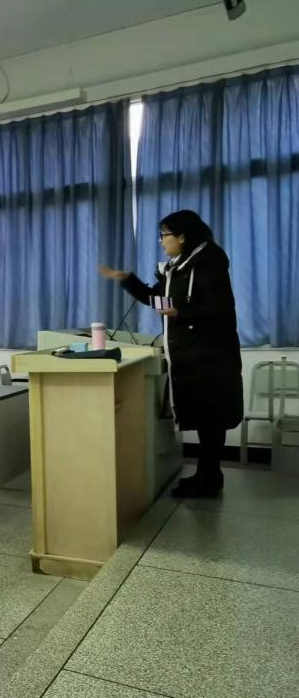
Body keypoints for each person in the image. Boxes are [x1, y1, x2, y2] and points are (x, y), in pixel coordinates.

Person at [100, 209, 243, 498]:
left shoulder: (208, 262)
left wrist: (180, 312)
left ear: (182, 236)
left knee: (211, 417)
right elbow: (156, 299)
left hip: (211, 355)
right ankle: (207, 474)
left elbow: (219, 309)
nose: (161, 241)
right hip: (191, 355)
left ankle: (209, 479)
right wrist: (126, 279)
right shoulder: (178, 268)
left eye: (164, 235)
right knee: (204, 417)